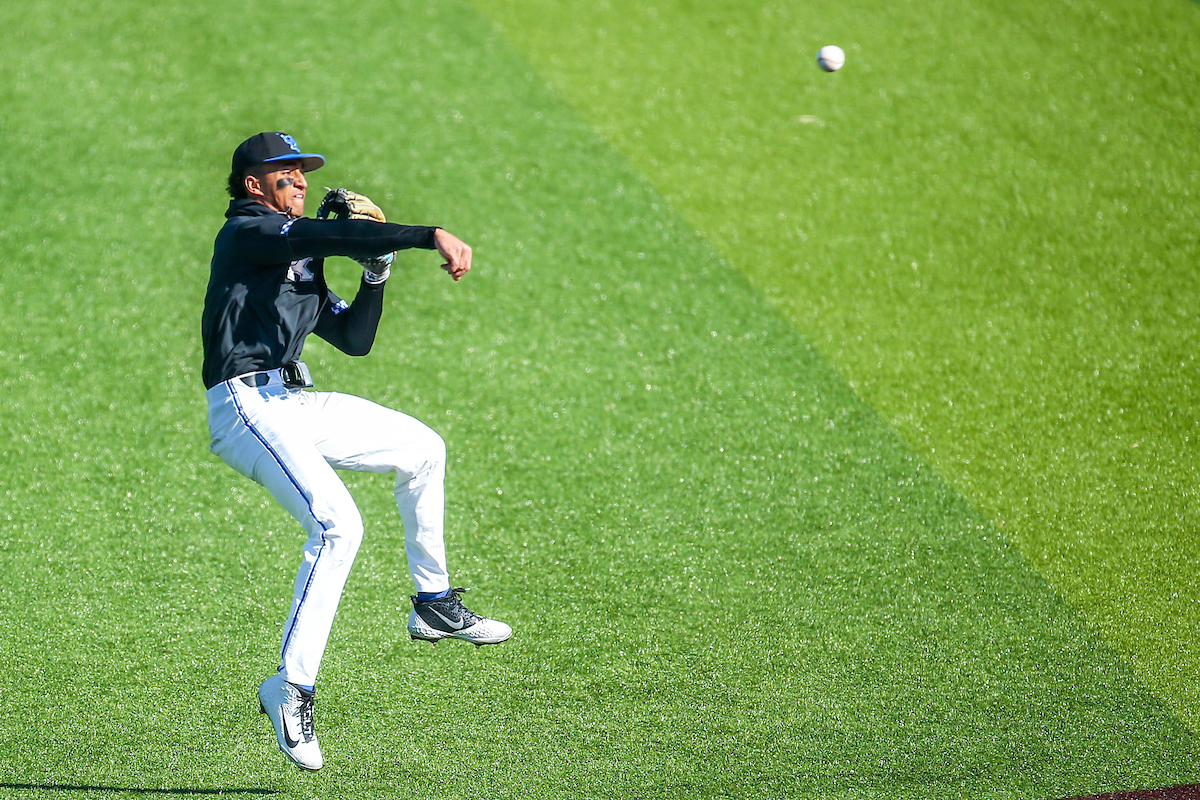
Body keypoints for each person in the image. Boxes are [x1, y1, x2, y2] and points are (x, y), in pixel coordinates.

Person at [201, 132, 511, 772]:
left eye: (303, 171)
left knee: (423, 449)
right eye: (283, 171)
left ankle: (432, 604)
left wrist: (379, 268)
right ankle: (291, 689)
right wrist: (428, 235)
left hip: (290, 405)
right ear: (253, 183)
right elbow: (325, 236)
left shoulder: (299, 255)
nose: (299, 179)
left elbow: (353, 337)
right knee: (339, 525)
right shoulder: (248, 232)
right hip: (245, 408)